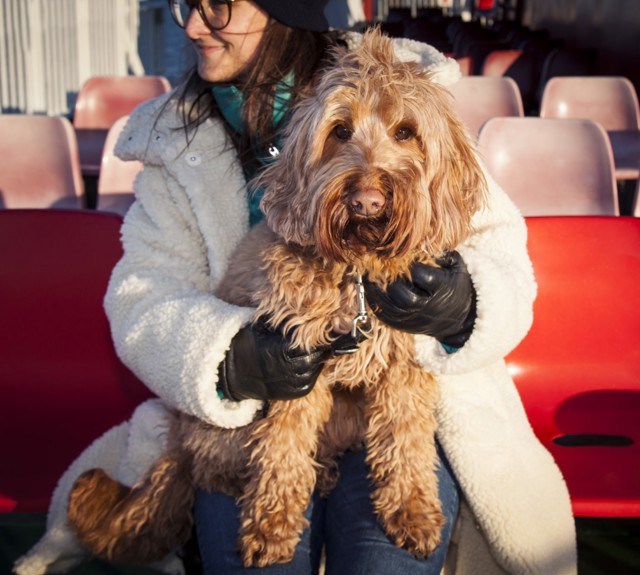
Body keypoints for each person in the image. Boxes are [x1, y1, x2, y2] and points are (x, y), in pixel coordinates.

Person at [14, 2, 577, 575]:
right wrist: (231, 358)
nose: (190, 26)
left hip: (408, 421)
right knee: (257, 562)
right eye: (186, 4)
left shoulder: (409, 93)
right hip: (249, 424)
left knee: (386, 561)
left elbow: (504, 253)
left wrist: (466, 306)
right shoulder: (172, 139)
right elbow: (140, 298)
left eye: (217, 6)